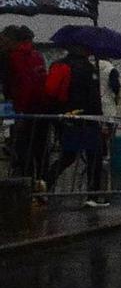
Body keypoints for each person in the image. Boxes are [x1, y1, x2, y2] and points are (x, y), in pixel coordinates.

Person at [43, 46, 108, 205]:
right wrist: (100, 119)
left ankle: (44, 183)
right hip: (86, 119)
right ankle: (93, 195)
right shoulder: (87, 69)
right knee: (94, 156)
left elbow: (50, 92)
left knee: (69, 156)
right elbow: (93, 99)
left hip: (67, 117)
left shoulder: (60, 65)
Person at [3, 25, 48, 184]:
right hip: (42, 110)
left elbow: (23, 86)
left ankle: (26, 188)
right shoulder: (37, 55)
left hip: (22, 111)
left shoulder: (13, 57)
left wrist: (20, 111)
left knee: (23, 153)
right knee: (40, 152)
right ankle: (42, 187)